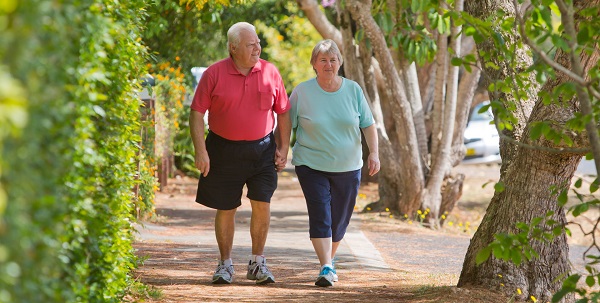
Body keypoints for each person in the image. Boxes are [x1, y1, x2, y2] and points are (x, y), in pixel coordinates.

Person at [189, 21, 291, 285]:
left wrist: (283, 146)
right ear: (233, 48)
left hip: (262, 150)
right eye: (250, 44)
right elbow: (197, 113)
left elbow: (283, 111)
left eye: (258, 42)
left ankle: (258, 263)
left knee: (262, 203)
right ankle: (225, 265)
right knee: (226, 208)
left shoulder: (270, 72)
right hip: (223, 149)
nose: (257, 47)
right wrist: (201, 151)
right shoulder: (214, 74)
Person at [289, 39, 380, 287]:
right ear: (314, 64)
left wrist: (374, 153)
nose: (329, 65)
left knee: (340, 218)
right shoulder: (302, 92)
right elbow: (287, 123)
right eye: (323, 60)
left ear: (339, 62)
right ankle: (326, 266)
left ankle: (328, 260)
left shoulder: (353, 90)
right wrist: (279, 149)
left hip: (348, 165)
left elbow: (368, 124)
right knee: (321, 213)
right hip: (310, 163)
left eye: (333, 60)